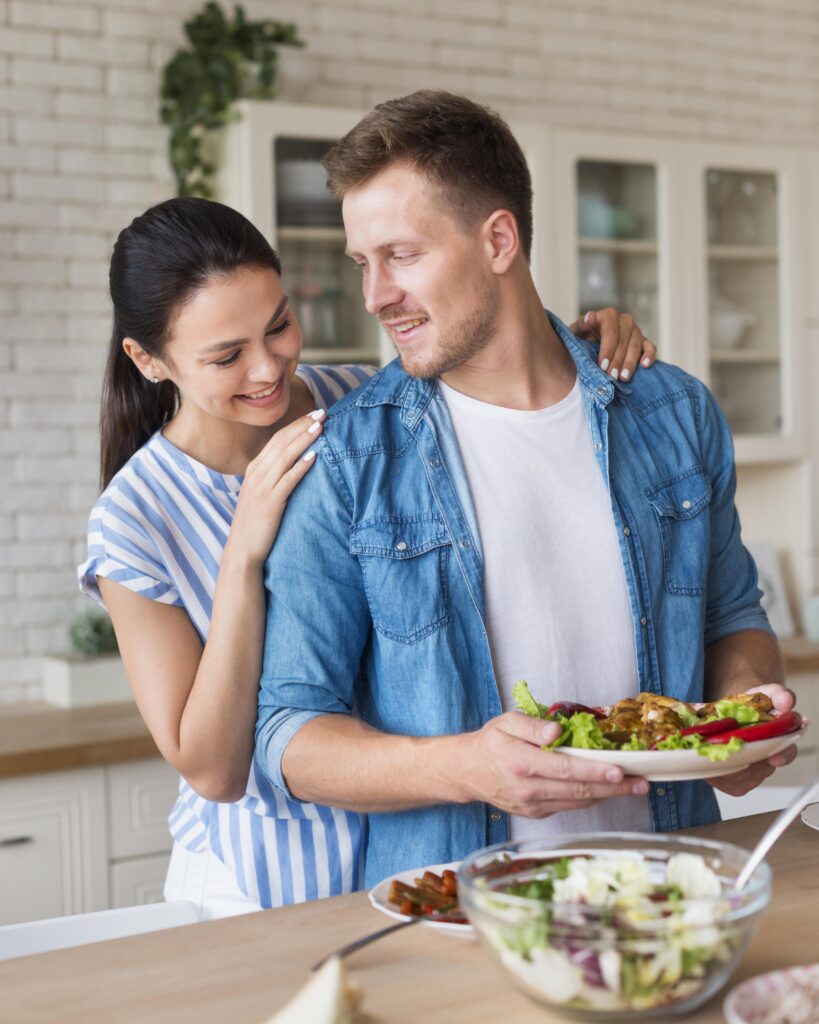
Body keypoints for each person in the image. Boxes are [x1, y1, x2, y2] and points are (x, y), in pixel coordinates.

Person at [254, 91, 797, 890]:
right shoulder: (349, 459)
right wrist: (464, 768)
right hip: (458, 913)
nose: (375, 296)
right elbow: (287, 736)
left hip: (671, 888)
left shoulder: (673, 412)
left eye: (400, 255)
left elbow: (731, 617)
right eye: (361, 264)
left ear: (498, 239)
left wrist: (738, 715)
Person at [78, 195, 653, 919]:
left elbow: (500, 354)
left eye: (279, 325)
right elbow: (214, 769)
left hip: (410, 844)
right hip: (263, 885)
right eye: (225, 356)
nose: (267, 369)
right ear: (147, 359)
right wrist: (243, 553)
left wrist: (596, 336)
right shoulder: (136, 518)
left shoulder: (356, 400)